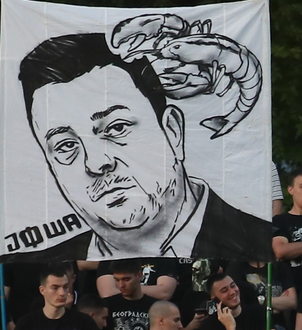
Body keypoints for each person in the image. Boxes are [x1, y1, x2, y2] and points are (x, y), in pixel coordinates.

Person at [19, 28, 272, 260]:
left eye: (116, 128)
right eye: (65, 146)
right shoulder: (44, 265)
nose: (96, 163)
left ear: (173, 132)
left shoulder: (260, 246)